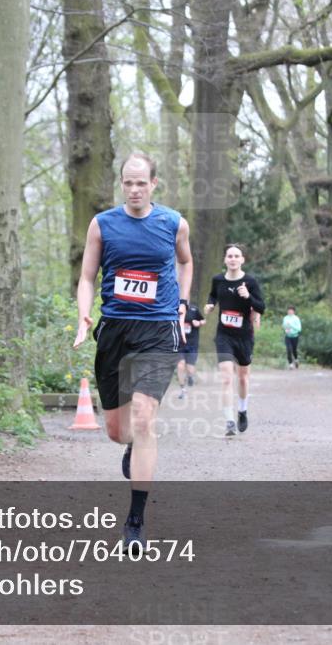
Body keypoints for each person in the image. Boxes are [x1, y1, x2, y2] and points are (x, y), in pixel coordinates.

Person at [73, 151, 193, 549]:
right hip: (115, 331)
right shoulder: (102, 225)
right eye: (128, 182)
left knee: (144, 420)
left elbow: (186, 262)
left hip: (157, 331)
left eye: (142, 182)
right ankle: (129, 445)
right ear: (121, 184)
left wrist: (180, 305)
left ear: (154, 184)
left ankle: (136, 522)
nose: (135, 189)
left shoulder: (174, 223)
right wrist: (83, 315)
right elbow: (87, 277)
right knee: (118, 430)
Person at [204, 244, 265, 436]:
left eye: (236, 256)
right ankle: (229, 421)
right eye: (229, 256)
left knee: (243, 378)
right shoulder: (218, 280)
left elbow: (261, 307)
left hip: (244, 336)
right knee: (226, 377)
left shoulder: (250, 282)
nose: (232, 259)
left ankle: (242, 410)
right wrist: (210, 304)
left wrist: (248, 297)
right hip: (224, 335)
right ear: (225, 259)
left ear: (242, 260)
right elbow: (213, 295)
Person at [175, 301, 205, 399]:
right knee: (180, 366)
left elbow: (203, 321)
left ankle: (190, 376)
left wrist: (199, 323)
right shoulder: (174, 308)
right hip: (180, 343)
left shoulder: (194, 309)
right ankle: (183, 390)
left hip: (192, 344)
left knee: (190, 368)